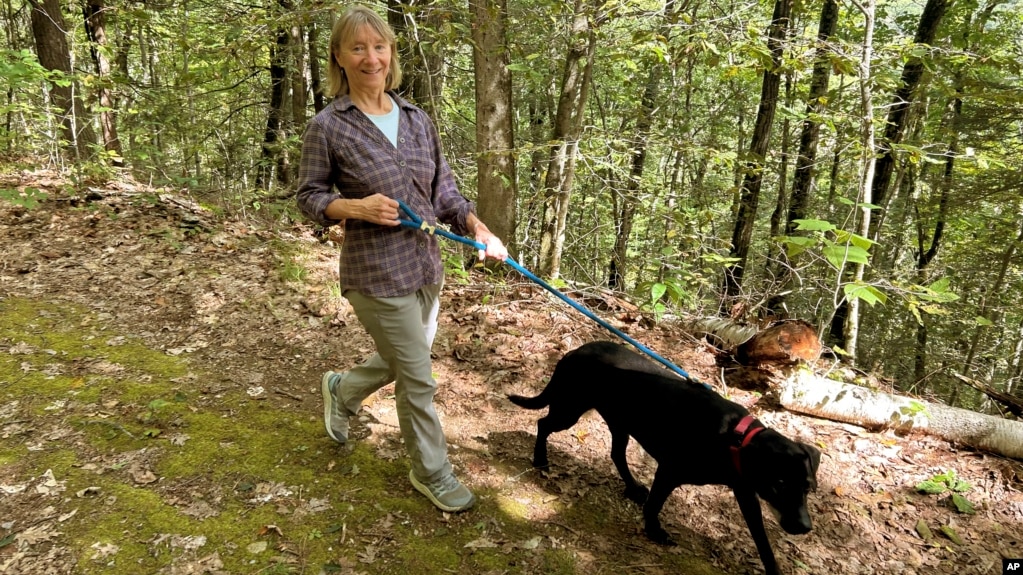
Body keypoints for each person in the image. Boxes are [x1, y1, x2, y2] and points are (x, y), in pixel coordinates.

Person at [295, 4, 507, 514]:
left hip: (426, 267)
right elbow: (308, 197)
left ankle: (342, 391)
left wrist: (479, 230)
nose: (371, 58)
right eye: (358, 47)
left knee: (400, 360)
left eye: (379, 46)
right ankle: (431, 472)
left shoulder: (416, 119)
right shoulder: (329, 126)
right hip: (375, 273)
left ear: (391, 53)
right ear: (339, 57)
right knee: (418, 377)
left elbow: (446, 193)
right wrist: (353, 207)